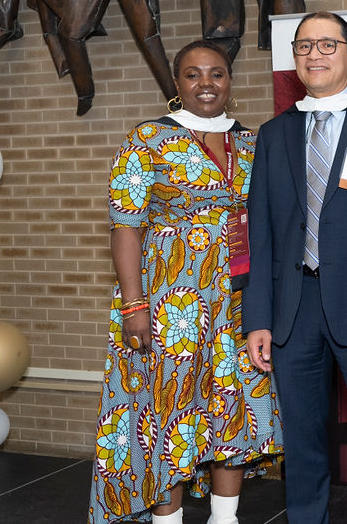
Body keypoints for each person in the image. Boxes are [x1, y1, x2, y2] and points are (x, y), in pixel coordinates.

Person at [89, 40, 282, 524]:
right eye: (193, 75)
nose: (206, 84)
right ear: (176, 84)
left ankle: (225, 517)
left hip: (238, 300)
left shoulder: (253, 141)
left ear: (230, 82)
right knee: (169, 409)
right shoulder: (147, 139)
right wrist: (133, 305)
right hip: (168, 303)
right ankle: (167, 519)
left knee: (233, 400)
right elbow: (125, 225)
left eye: (217, 74)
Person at [243, 12, 347, 523]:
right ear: (294, 59)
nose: (315, 55)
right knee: (303, 443)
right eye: (304, 46)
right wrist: (258, 319)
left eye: (327, 45)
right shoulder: (274, 134)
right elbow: (263, 229)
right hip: (294, 308)